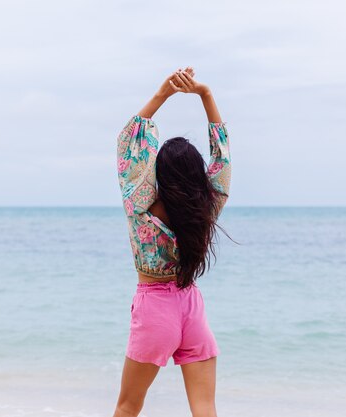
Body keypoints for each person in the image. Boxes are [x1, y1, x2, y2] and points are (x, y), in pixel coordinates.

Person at [113, 67, 232, 417]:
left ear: (157, 174)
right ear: (197, 177)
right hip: (191, 306)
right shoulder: (206, 207)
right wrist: (205, 95)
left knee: (128, 406)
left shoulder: (141, 205)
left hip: (154, 311)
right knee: (205, 408)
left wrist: (163, 93)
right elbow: (222, 160)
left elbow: (128, 145)